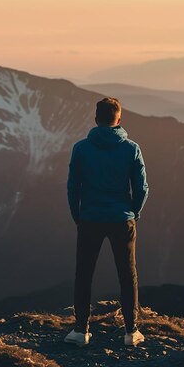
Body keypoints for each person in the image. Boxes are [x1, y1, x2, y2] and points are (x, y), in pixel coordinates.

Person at [64, 97, 149, 347]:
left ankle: (81, 330)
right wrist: (134, 212)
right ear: (119, 120)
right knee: (127, 274)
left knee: (84, 274)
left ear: (96, 119)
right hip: (122, 219)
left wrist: (77, 215)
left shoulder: (81, 149)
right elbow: (141, 187)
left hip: (90, 218)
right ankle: (131, 331)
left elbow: (73, 187)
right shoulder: (131, 148)